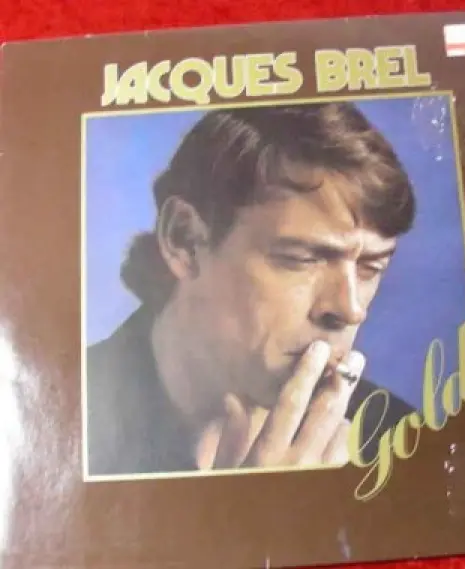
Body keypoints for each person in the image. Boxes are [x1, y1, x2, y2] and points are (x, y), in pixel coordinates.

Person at [86, 102, 418, 477]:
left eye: (371, 267)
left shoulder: (402, 441)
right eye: (301, 258)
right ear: (185, 240)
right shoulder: (72, 413)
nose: (351, 309)